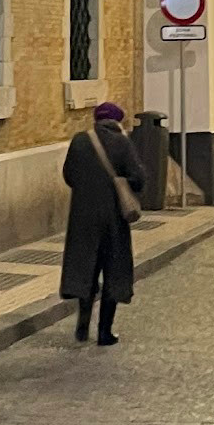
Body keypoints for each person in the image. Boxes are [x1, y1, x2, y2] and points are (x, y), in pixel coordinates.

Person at [62, 101, 149, 345]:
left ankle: (82, 324)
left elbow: (68, 175)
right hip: (113, 220)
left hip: (82, 218)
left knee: (86, 268)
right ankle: (104, 331)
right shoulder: (122, 143)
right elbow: (139, 178)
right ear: (116, 122)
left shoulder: (79, 141)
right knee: (113, 272)